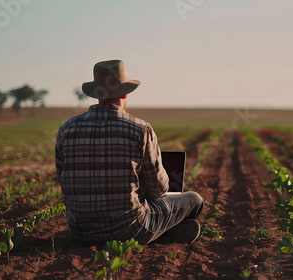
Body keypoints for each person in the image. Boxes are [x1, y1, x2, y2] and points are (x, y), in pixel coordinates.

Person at [55, 59, 203, 245]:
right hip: (129, 230)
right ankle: (163, 231)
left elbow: (63, 180)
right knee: (195, 200)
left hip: (80, 231)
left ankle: (162, 231)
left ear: (96, 94)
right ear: (125, 94)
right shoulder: (140, 129)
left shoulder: (66, 129)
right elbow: (158, 190)